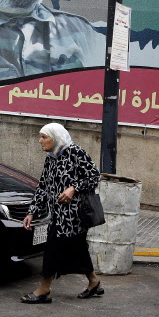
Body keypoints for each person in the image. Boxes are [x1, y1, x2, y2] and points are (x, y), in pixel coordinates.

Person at [20, 123, 103, 304]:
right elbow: (43, 187)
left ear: (55, 138)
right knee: (78, 249)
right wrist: (32, 212)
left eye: (44, 137)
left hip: (73, 216)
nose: (39, 140)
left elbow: (94, 176)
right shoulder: (51, 158)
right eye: (40, 136)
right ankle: (94, 282)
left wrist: (73, 188)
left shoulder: (75, 153)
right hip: (57, 213)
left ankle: (44, 290)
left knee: (52, 248)